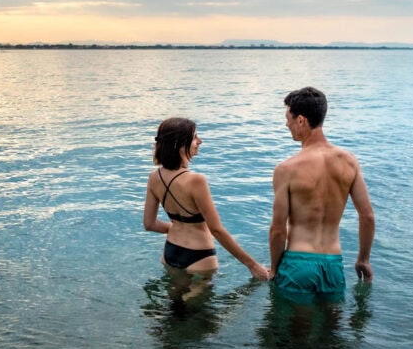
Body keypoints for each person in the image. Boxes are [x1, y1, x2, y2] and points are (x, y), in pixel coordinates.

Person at [269, 87, 375, 303]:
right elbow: (367, 216)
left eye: (287, 118)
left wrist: (273, 268)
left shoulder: (287, 169)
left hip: (298, 264)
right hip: (333, 264)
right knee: (331, 334)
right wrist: (363, 259)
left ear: (301, 120)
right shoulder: (349, 161)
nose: (286, 124)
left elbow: (278, 230)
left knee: (289, 333)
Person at [144, 117, 270, 281]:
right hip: (199, 257)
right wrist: (252, 265)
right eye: (195, 137)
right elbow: (216, 230)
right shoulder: (196, 180)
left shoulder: (154, 177)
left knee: (174, 305)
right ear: (180, 145)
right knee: (198, 307)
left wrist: (178, 227)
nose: (200, 141)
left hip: (170, 251)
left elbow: (149, 224)